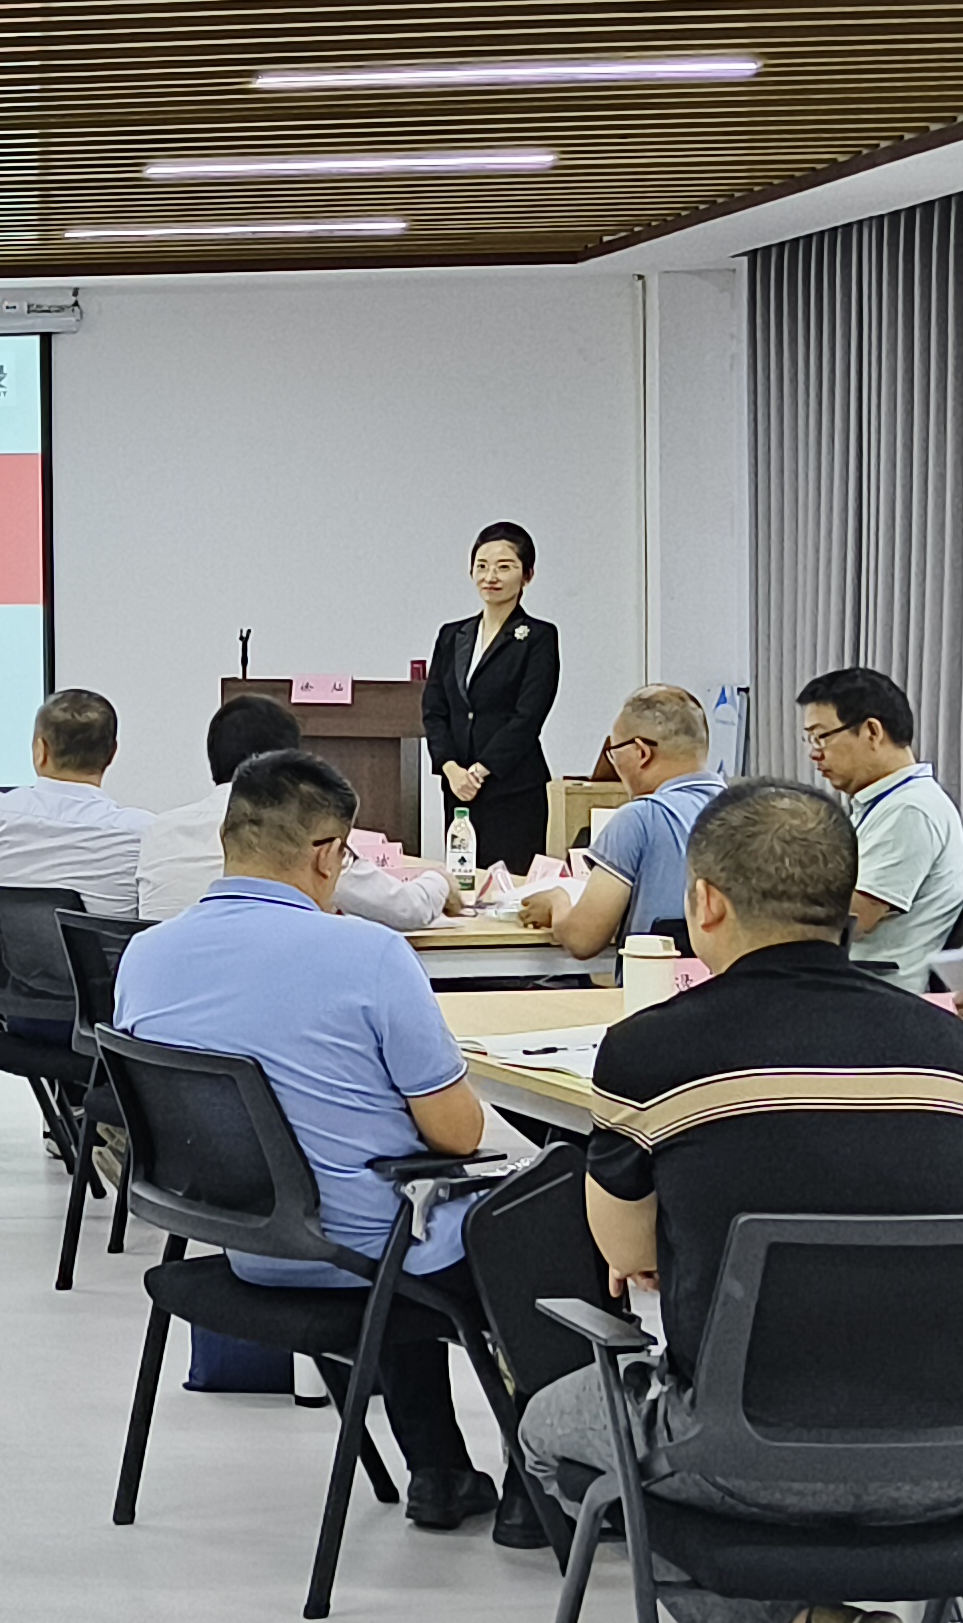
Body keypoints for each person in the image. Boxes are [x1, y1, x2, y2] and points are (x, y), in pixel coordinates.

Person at [511, 780, 963, 1623]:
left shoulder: (653, 1048)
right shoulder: (943, 1043)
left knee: (553, 1436)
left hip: (751, 1456)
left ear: (706, 902)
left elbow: (626, 1257)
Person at [107, 749, 507, 1534]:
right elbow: (459, 1133)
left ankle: (440, 1471)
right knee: (524, 1216)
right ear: (328, 855)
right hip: (362, 1251)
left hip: (239, 1239)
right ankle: (542, 1490)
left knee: (400, 1202)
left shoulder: (144, 957)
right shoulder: (368, 954)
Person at [145, 695, 450, 930]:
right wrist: (441, 882)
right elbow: (406, 910)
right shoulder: (303, 833)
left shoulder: (157, 832)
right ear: (286, 764)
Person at [0, 688, 148, 941]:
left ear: (40, 750)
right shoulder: (144, 833)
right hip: (111, 969)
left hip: (7, 967)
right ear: (111, 753)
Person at [796, 666, 963, 988]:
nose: (814, 753)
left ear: (872, 732)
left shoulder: (909, 810)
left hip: (876, 990)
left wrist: (769, 908)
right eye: (809, 739)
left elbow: (855, 918)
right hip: (850, 981)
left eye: (821, 736)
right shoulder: (882, 804)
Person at [516, 687, 724, 961]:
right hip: (734, 981)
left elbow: (583, 939)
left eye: (613, 753)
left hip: (655, 982)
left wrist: (557, 902)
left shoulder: (639, 819)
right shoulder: (748, 812)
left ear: (641, 753)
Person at [424, 520, 564, 871]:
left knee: (510, 885)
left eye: (504, 567)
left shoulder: (538, 636)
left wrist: (480, 771)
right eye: (482, 566)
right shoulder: (452, 635)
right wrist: (451, 768)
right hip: (457, 787)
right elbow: (434, 709)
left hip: (512, 786)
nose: (491, 576)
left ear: (527, 575)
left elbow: (529, 716)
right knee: (463, 880)